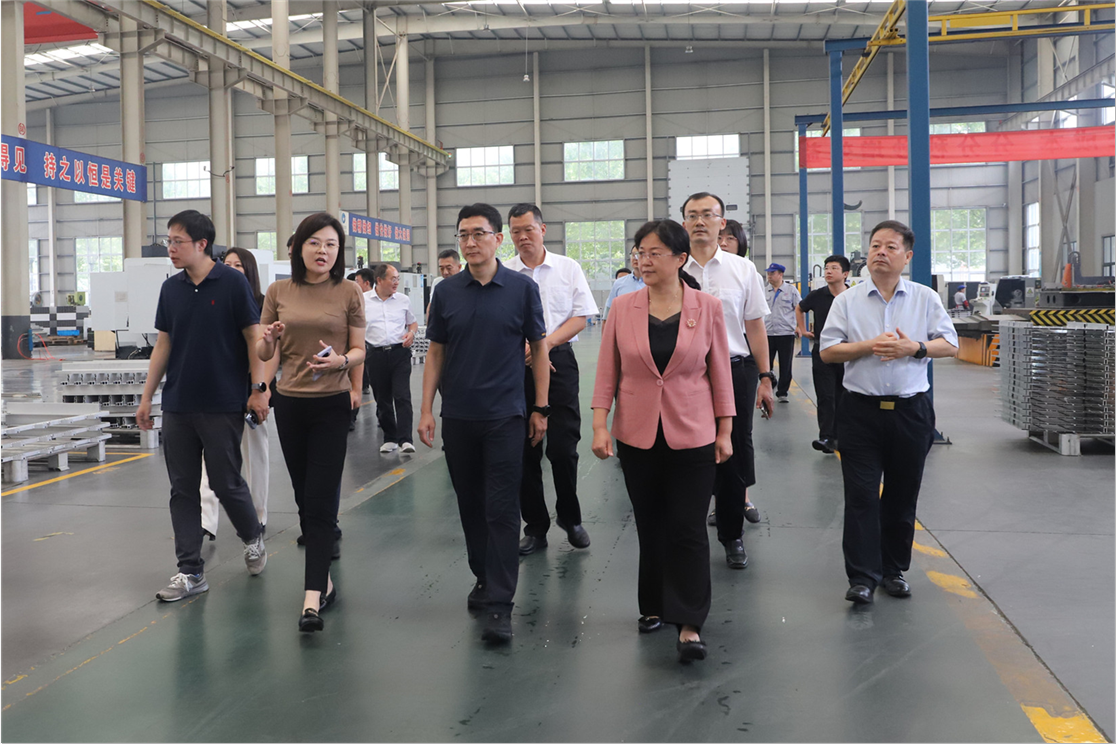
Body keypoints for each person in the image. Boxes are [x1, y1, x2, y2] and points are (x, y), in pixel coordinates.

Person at [591, 219, 735, 664]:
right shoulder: (623, 307)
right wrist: (599, 425)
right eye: (640, 252)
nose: (645, 260)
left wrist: (726, 430)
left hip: (693, 431)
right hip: (637, 433)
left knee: (688, 527)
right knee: (650, 524)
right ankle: (652, 603)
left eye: (655, 253)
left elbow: (720, 372)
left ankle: (689, 621)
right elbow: (607, 370)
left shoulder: (707, 307)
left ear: (679, 258)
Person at [418, 203, 549, 646]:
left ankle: (500, 603)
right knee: (470, 504)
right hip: (459, 416)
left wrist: (541, 407)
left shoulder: (522, 289)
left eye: (479, 234)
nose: (470, 242)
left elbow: (539, 349)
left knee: (501, 508)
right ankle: (484, 575)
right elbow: (436, 352)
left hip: (505, 416)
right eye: (463, 235)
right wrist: (426, 409)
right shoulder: (446, 292)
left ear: (497, 238)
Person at [819, 220, 958, 605]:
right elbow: (828, 351)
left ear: (907, 256)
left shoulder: (924, 298)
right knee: (861, 495)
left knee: (901, 494)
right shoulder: (847, 301)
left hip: (910, 413)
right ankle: (862, 577)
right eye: (876, 245)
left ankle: (893, 570)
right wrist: (868, 346)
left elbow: (950, 345)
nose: (881, 252)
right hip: (860, 412)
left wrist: (914, 348)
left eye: (891, 247)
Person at [137, 211, 268, 602]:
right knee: (183, 489)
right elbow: (164, 343)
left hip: (222, 402)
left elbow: (253, 337)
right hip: (179, 403)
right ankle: (190, 570)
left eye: (177, 241)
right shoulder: (171, 289)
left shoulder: (232, 283)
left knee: (226, 483)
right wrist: (147, 396)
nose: (170, 248)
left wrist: (258, 389)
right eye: (169, 241)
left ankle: (252, 536)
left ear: (202, 244)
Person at [257, 212, 366, 632]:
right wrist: (269, 340)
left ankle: (311, 598)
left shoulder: (349, 291)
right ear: (299, 247)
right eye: (315, 242)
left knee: (321, 501)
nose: (323, 250)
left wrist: (342, 362)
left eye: (331, 244)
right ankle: (326, 581)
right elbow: (266, 354)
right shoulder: (278, 291)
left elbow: (359, 349)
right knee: (305, 498)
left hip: (331, 405)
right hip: (290, 405)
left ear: (339, 252)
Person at [680, 192, 773, 569]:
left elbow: (755, 326)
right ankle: (685, 535)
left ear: (722, 223)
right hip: (684, 374)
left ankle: (732, 535)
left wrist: (765, 377)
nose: (699, 221)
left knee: (732, 452)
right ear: (683, 223)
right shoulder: (672, 267)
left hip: (735, 369)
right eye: (692, 215)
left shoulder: (742, 269)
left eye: (707, 214)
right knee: (686, 453)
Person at [504, 203, 599, 556]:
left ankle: (570, 519)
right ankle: (536, 527)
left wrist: (543, 346)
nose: (522, 237)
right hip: (516, 364)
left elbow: (581, 316)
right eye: (515, 231)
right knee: (525, 451)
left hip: (558, 360)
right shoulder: (504, 272)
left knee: (563, 447)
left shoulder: (567, 268)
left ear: (542, 230)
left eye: (528, 229)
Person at [199, 247, 277, 539]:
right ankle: (206, 520)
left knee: (255, 452)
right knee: (211, 455)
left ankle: (257, 515)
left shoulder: (262, 303)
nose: (231, 269)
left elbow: (272, 352)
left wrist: (262, 389)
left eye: (238, 265)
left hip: (252, 387)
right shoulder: (212, 299)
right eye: (227, 264)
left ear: (249, 271)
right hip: (219, 387)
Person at [796, 254, 850, 454]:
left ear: (845, 274)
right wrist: (802, 329)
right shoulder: (817, 295)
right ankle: (826, 437)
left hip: (847, 351)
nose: (828, 271)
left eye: (834, 268)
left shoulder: (853, 296)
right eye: (827, 268)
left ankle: (843, 436)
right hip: (823, 351)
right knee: (826, 395)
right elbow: (799, 308)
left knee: (845, 395)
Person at [365, 263, 418, 454]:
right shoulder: (363, 300)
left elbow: (412, 323)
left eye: (398, 279)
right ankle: (390, 438)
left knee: (402, 396)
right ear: (379, 280)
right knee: (382, 399)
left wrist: (411, 333)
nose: (396, 283)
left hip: (399, 353)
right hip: (375, 355)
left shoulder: (403, 300)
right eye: (392, 279)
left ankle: (406, 439)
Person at [764, 263, 802, 403]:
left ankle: (782, 392)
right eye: (768, 273)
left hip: (785, 333)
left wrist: (799, 327)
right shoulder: (764, 291)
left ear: (781, 274)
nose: (769, 276)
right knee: (766, 364)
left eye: (772, 273)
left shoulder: (791, 291)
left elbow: (799, 309)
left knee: (786, 364)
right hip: (767, 333)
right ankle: (769, 385)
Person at [603, 246, 644, 320]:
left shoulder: (655, 283)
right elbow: (609, 311)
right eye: (633, 255)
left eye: (638, 254)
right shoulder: (619, 283)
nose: (635, 258)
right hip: (624, 324)